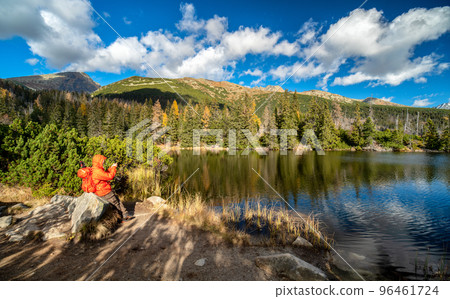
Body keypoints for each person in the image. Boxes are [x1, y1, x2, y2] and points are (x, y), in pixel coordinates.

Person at [78, 154, 132, 221]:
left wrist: (111, 167)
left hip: (100, 191)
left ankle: (125, 214)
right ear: (98, 161)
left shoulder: (94, 169)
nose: (103, 162)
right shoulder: (97, 171)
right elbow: (109, 176)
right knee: (115, 203)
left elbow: (104, 175)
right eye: (102, 161)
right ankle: (121, 218)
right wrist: (113, 168)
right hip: (104, 191)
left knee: (116, 200)